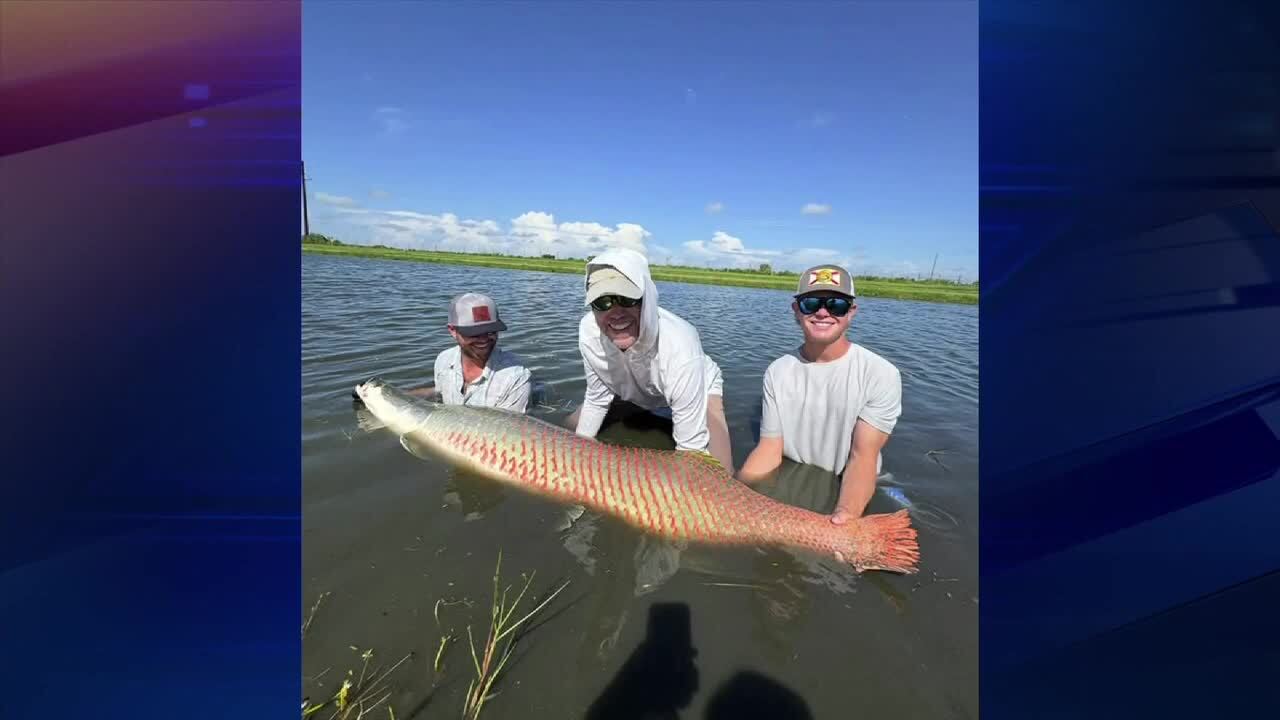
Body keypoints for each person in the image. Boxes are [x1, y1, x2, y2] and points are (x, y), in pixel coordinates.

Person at [736, 264, 902, 525]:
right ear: (796, 311)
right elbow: (769, 448)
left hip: (852, 480)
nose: (823, 312)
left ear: (851, 312)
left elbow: (862, 458)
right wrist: (735, 492)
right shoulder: (778, 371)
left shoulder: (880, 373)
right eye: (810, 303)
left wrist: (844, 516)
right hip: (791, 473)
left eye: (836, 304)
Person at [565, 246, 733, 470]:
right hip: (633, 390)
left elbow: (691, 452)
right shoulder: (588, 332)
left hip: (697, 385)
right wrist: (581, 451)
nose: (615, 313)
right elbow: (597, 397)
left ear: (648, 298)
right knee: (569, 429)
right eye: (602, 302)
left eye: (626, 299)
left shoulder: (680, 345)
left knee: (720, 472)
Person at [405, 291, 533, 413]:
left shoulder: (515, 377)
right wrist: (401, 396)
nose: (483, 340)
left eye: (490, 332)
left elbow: (506, 428)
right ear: (452, 330)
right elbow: (441, 390)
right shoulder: (444, 359)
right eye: (474, 333)